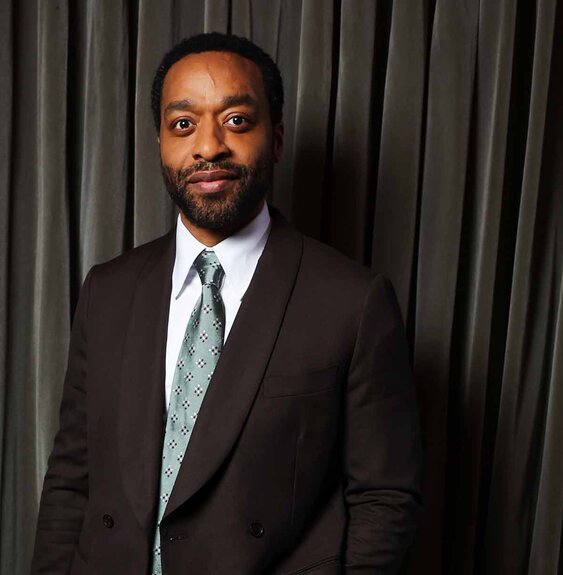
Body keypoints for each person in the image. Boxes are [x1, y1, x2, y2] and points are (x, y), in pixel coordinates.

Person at [31, 32, 422, 574]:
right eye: (183, 124)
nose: (208, 146)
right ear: (161, 143)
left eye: (236, 120)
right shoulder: (108, 290)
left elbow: (385, 496)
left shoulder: (352, 302)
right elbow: (72, 479)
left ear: (277, 138)